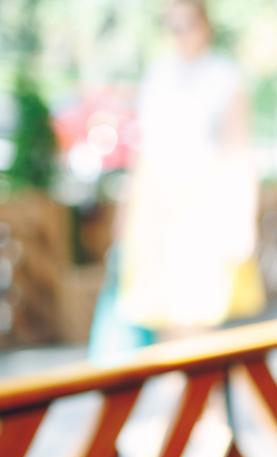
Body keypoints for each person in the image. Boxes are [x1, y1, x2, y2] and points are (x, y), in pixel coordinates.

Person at [91, 0, 261, 357]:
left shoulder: (225, 76)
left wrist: (243, 218)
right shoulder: (158, 75)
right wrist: (126, 211)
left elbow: (238, 151)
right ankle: (183, 405)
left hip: (202, 205)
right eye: (172, 26)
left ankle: (205, 407)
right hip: (158, 206)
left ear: (204, 26)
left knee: (200, 315)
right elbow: (143, 150)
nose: (180, 35)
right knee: (165, 315)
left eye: (186, 25)